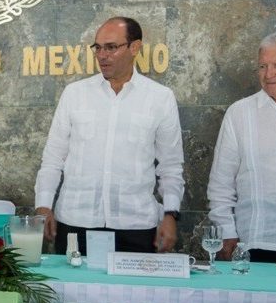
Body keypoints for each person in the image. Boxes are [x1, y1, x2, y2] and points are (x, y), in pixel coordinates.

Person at [34, 17, 185, 255]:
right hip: (75, 223)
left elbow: (171, 166)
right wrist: (43, 206)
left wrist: (170, 215)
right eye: (98, 47)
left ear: (134, 48)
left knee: (134, 293)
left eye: (111, 47)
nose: (102, 55)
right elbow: (53, 158)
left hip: (135, 226)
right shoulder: (74, 95)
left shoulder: (160, 98)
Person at [207, 31, 276, 263]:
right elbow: (221, 184)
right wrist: (226, 232)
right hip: (260, 240)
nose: (269, 74)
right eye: (262, 66)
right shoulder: (240, 113)